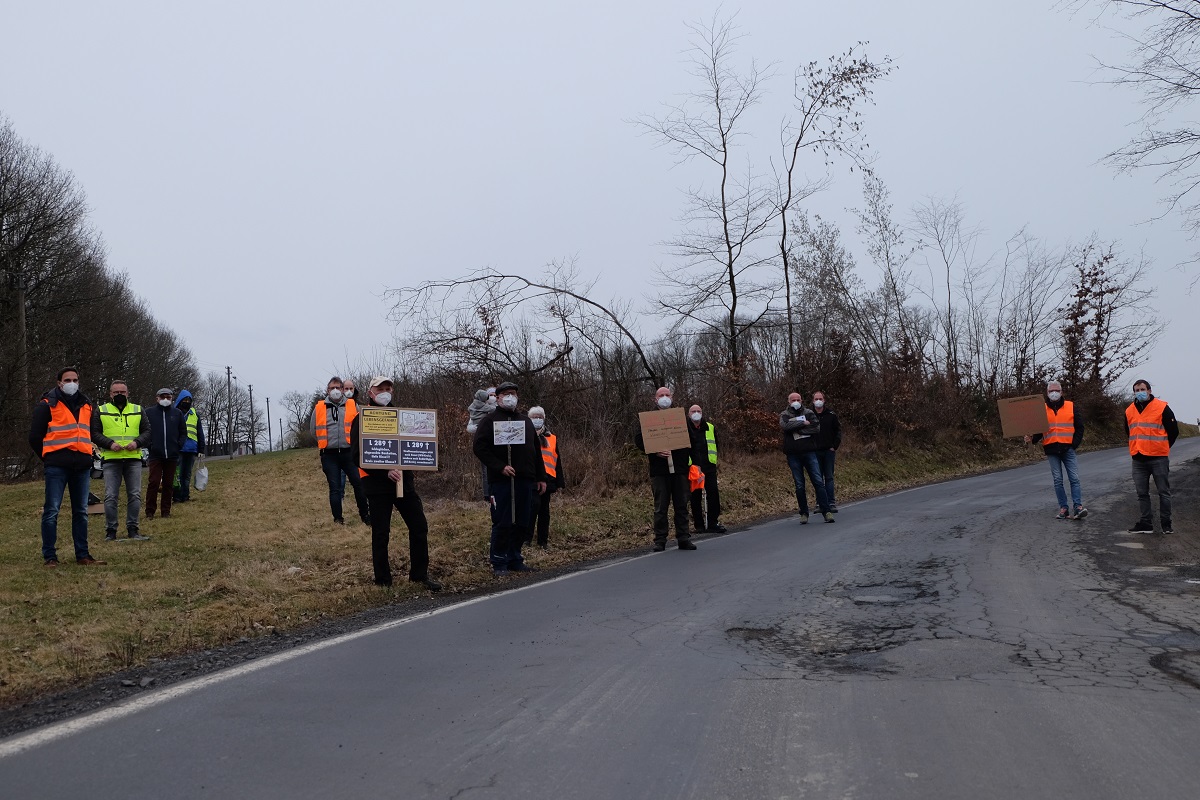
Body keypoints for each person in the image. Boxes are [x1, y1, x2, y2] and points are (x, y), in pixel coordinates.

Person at [350, 376, 442, 589]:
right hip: (377, 486)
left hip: (404, 484)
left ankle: (419, 576)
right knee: (381, 533)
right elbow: (357, 455)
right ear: (370, 392)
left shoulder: (403, 416)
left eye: (388, 388)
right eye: (380, 388)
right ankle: (383, 580)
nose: (385, 391)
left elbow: (414, 445)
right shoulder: (361, 419)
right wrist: (385, 472)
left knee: (419, 526)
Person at [30, 368, 106, 567]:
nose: (72, 382)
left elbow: (90, 433)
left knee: (81, 511)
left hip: (81, 465)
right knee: (52, 511)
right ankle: (50, 557)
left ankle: (83, 555)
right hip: (57, 466)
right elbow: (35, 437)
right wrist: (48, 457)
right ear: (59, 383)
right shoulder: (46, 405)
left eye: (75, 379)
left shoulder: (87, 405)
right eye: (67, 379)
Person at [473, 381, 547, 575]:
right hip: (502, 481)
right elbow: (480, 447)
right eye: (506, 393)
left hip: (524, 480)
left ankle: (515, 557)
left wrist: (540, 477)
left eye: (513, 393)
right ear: (497, 397)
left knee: (522, 520)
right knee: (503, 521)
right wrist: (500, 467)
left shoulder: (525, 421)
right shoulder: (489, 421)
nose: (510, 397)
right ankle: (499, 561)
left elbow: (536, 452)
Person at [634, 386, 697, 552]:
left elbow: (691, 439)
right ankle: (660, 540)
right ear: (655, 399)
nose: (664, 397)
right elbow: (639, 440)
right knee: (660, 507)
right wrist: (656, 450)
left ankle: (683, 537)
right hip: (659, 471)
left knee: (682, 505)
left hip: (680, 470)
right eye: (661, 395)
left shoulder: (680, 418)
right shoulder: (648, 420)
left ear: (672, 397)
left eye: (667, 395)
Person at [91, 380, 151, 541]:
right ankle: (111, 531)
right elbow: (94, 433)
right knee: (110, 496)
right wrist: (109, 444)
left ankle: (133, 529)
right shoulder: (101, 411)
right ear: (110, 394)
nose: (119, 395)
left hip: (133, 459)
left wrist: (137, 443)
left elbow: (147, 431)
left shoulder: (138, 410)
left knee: (135, 495)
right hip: (111, 459)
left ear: (127, 393)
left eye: (122, 392)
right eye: (116, 392)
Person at [311, 376, 371, 526]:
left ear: (342, 389)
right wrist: (326, 442)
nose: (336, 390)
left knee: (359, 484)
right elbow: (313, 431)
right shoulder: (319, 408)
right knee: (335, 488)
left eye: (338, 387)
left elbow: (360, 427)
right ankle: (338, 519)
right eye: (332, 388)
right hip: (329, 455)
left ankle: (365, 515)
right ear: (327, 390)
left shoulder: (352, 406)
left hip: (349, 453)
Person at [1024, 380, 1087, 521]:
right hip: (1052, 449)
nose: (1054, 393)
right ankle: (1064, 508)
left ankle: (1078, 507)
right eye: (1051, 391)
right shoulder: (1042, 409)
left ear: (1061, 392)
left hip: (1068, 449)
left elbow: (1080, 427)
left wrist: (1073, 444)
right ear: (1047, 393)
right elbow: (1040, 431)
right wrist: (1032, 439)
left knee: (1074, 478)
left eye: (1056, 391)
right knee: (1058, 480)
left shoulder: (1071, 406)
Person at [1125, 378, 1179, 534]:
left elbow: (1173, 431)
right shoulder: (1129, 410)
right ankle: (1146, 523)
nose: (1140, 392)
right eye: (1137, 390)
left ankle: (1166, 524)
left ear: (1149, 390)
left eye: (1143, 389)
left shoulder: (1162, 408)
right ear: (1134, 392)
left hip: (1158, 458)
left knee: (1164, 492)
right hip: (1138, 458)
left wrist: (1163, 446)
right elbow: (1129, 430)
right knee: (1142, 493)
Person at [780, 391, 834, 524]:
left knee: (818, 481)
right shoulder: (784, 414)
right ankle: (804, 513)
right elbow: (785, 426)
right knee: (799, 485)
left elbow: (816, 428)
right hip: (793, 454)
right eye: (793, 400)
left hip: (809, 452)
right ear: (789, 402)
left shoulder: (809, 412)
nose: (796, 402)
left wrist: (798, 430)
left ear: (802, 400)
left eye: (798, 399)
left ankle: (826, 511)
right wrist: (803, 424)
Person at [144, 387, 186, 519]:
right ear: (157, 398)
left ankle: (166, 511)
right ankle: (150, 511)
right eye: (163, 397)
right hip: (155, 454)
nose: (165, 399)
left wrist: (178, 445)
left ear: (172, 398)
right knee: (154, 482)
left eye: (168, 397)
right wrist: (150, 445)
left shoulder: (177, 413)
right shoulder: (149, 412)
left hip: (172, 455)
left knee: (169, 484)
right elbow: (144, 430)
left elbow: (183, 432)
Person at [526, 405, 565, 548]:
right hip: (531, 478)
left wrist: (560, 482)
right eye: (534, 417)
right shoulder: (525, 435)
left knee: (544, 511)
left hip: (548, 478)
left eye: (539, 417)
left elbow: (557, 460)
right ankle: (526, 538)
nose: (537, 420)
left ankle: (543, 541)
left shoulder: (552, 438)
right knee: (532, 507)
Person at [687, 403, 724, 533]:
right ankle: (699, 525)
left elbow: (716, 445)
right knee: (695, 496)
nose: (696, 413)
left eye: (698, 411)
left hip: (709, 466)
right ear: (689, 414)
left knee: (713, 493)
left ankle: (713, 522)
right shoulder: (685, 429)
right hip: (693, 468)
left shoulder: (710, 427)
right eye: (693, 411)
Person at [811, 390, 842, 513]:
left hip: (829, 451)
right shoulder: (810, 415)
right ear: (813, 401)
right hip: (814, 451)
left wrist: (834, 446)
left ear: (824, 400)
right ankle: (820, 504)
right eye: (816, 399)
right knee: (818, 479)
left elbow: (838, 431)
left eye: (820, 398)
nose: (818, 401)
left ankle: (831, 503)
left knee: (828, 477)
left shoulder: (831, 415)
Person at [172, 389, 206, 503]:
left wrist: (201, 449)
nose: (186, 402)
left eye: (189, 400)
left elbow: (200, 432)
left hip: (191, 449)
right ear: (180, 400)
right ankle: (177, 497)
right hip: (179, 449)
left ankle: (185, 496)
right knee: (178, 475)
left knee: (187, 475)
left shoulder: (195, 414)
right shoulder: (174, 413)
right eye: (185, 399)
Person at [466, 388, 494, 500]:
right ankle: (488, 494)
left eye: (494, 395)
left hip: (496, 442)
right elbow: (470, 427)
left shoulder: (473, 406)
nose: (492, 397)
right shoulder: (488, 408)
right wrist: (480, 428)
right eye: (490, 395)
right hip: (485, 443)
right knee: (486, 470)